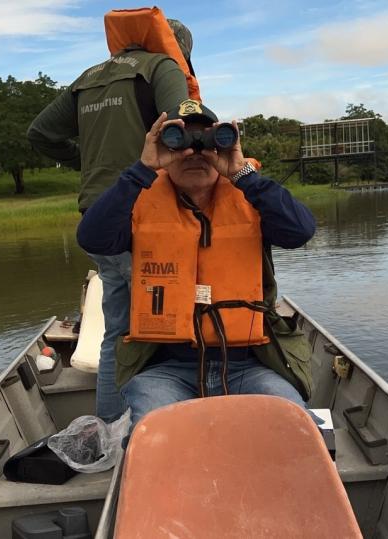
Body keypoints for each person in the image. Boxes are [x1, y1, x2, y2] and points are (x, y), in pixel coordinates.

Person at [77, 100, 317, 428]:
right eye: (181, 141)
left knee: (294, 426)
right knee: (152, 434)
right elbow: (93, 238)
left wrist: (241, 172)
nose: (194, 152)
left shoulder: (251, 197)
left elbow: (300, 231)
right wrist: (142, 170)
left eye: (206, 142)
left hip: (248, 365)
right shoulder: (140, 203)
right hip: (167, 370)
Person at [27, 12, 195, 423]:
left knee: (116, 329)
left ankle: (107, 428)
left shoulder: (88, 77)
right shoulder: (161, 67)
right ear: (176, 48)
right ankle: (155, 435)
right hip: (147, 216)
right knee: (164, 330)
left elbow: (40, 133)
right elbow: (184, 126)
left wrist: (85, 158)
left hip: (98, 216)